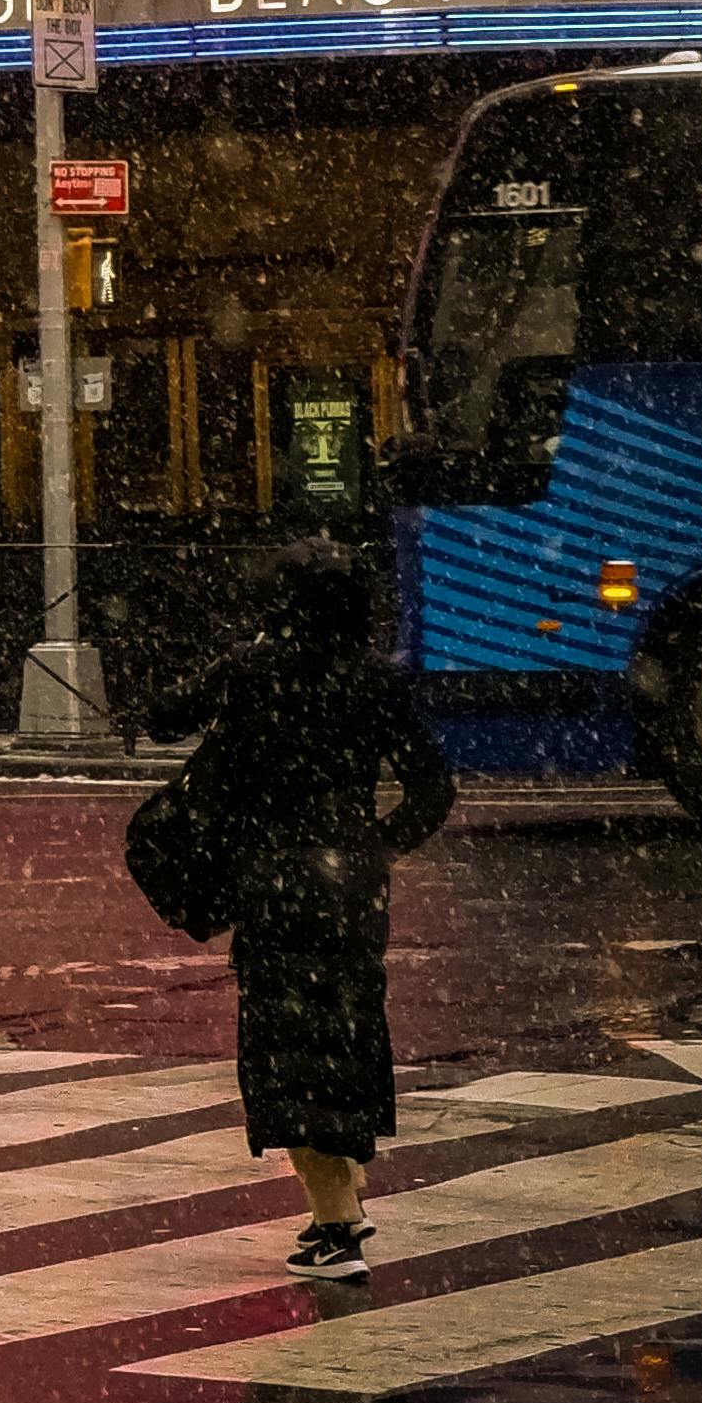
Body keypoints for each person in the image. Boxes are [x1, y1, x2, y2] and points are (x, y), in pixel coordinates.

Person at [173, 544, 455, 1272]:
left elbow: (165, 714)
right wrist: (378, 847)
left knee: (286, 1050)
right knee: (347, 1032)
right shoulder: (373, 682)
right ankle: (344, 1187)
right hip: (352, 887)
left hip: (273, 880)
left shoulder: (252, 671)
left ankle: (336, 1222)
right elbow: (433, 788)